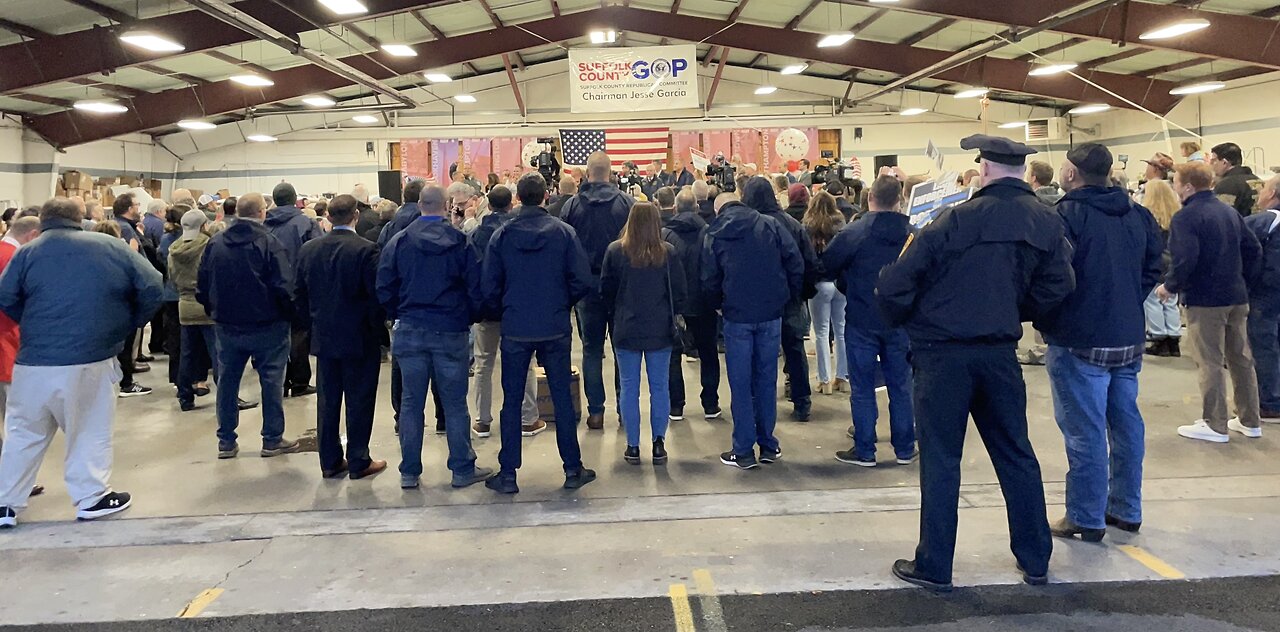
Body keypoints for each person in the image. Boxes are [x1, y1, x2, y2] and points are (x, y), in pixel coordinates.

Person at [877, 135, 1075, 592]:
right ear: (1023, 173)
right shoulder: (1047, 221)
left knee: (943, 460)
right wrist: (1014, 308)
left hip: (942, 355)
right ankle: (1036, 559)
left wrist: (911, 318)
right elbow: (1059, 285)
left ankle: (935, 565)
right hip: (999, 353)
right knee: (1016, 454)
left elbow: (896, 284)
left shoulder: (953, 220)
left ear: (983, 169)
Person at [0, 198, 163, 528]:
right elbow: (152, 284)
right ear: (80, 219)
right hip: (90, 357)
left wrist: (36, 325)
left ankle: (5, 504)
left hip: (32, 360)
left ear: (42, 221)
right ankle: (91, 497)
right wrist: (126, 322)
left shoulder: (27, 253)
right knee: (88, 428)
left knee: (23, 432)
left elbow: (5, 298)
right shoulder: (109, 247)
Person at [1037, 144, 1163, 543]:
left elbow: (1054, 277)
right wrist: (1127, 299)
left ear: (1071, 173)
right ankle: (1126, 508)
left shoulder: (1065, 217)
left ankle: (1085, 516)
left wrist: (1047, 318)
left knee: (1084, 429)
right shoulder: (1138, 214)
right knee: (1126, 424)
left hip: (1079, 339)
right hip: (1127, 336)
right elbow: (1155, 267)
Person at [482, 173, 596, 494]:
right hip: (554, 326)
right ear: (547, 195)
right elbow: (582, 279)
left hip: (517, 327)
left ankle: (508, 473)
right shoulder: (564, 233)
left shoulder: (502, 235)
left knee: (512, 401)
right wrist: (562, 303)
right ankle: (572, 468)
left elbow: (489, 285)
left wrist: (505, 310)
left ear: (518, 198)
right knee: (562, 398)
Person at [377, 185, 491, 490]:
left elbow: (384, 285)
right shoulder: (460, 242)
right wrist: (467, 318)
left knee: (412, 403)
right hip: (450, 329)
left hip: (410, 328)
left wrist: (396, 313)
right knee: (455, 404)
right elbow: (476, 288)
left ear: (418, 205)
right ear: (447, 205)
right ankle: (462, 469)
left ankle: (410, 472)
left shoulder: (399, 241)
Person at [1158, 161, 1263, 443]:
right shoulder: (1229, 212)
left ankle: (1214, 423)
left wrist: (1170, 286)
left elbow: (1185, 258)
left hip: (1205, 300)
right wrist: (1244, 282)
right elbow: (1253, 248)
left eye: (1176, 182)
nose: (1175, 187)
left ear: (1188, 186)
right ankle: (1249, 419)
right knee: (1241, 358)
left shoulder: (1186, 217)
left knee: (1210, 361)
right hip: (1236, 296)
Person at [704, 177, 803, 469]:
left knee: (741, 383)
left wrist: (717, 305)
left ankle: (743, 449)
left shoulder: (715, 232)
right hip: (770, 314)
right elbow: (795, 263)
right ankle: (768, 444)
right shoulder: (771, 226)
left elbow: (708, 278)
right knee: (766, 379)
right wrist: (787, 298)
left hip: (736, 316)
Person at [196, 193, 301, 460]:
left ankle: (226, 441)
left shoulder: (215, 243)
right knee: (272, 381)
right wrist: (291, 316)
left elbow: (202, 285)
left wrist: (215, 311)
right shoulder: (269, 243)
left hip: (228, 326)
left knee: (228, 382)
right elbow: (283, 286)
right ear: (262, 212)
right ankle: (272, 439)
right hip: (268, 325)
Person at [822, 177, 914, 467]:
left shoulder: (853, 232)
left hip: (862, 317)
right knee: (901, 386)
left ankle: (865, 449)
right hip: (900, 320)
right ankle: (905, 448)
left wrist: (847, 283)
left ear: (869, 197)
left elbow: (827, 265)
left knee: (861, 387)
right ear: (899, 200)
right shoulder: (914, 234)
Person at [295, 194, 388, 481]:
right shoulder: (367, 250)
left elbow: (298, 294)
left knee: (328, 399)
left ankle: (329, 460)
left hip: (324, 336)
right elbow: (376, 297)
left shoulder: (309, 250)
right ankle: (358, 458)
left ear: (329, 217)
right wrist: (377, 331)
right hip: (360, 338)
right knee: (360, 399)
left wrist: (310, 327)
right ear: (355, 216)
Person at [601, 202, 686, 464]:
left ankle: (633, 445)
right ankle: (659, 444)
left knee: (629, 387)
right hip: (660, 329)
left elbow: (606, 291)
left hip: (626, 328)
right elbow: (681, 293)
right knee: (659, 387)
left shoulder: (616, 251)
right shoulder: (668, 253)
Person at [561, 151, 635, 430]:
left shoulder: (571, 206)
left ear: (587, 173)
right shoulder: (627, 204)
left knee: (591, 350)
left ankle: (596, 412)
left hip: (586, 286)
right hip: (621, 286)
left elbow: (566, 249)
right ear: (611, 172)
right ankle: (625, 410)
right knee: (622, 349)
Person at [468, 186, 547, 439]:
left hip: (486, 311)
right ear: (511, 204)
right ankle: (528, 418)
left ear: (488, 205)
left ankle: (482, 420)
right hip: (516, 308)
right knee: (525, 363)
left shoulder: (476, 234)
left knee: (483, 363)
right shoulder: (518, 232)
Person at [742, 177, 819, 421]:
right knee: (794, 350)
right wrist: (801, 293)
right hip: (790, 299)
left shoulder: (747, 227)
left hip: (758, 301)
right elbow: (808, 263)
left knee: (758, 355)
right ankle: (802, 401)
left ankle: (758, 404)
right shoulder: (793, 225)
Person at [169, 210, 256, 413]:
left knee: (187, 355)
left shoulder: (174, 248)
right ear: (203, 226)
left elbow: (171, 277)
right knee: (219, 356)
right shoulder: (209, 245)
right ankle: (229, 398)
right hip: (207, 305)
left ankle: (185, 397)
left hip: (184, 305)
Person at [663, 189, 720, 420]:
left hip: (673, 304)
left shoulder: (665, 235)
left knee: (673, 355)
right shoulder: (710, 233)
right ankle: (710, 403)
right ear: (697, 208)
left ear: (675, 208)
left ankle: (676, 405)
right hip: (704, 302)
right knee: (708, 352)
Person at [263, 183, 323, 398]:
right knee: (299, 335)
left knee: (277, 336)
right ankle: (300, 381)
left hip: (271, 289)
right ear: (295, 199)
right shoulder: (305, 223)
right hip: (298, 288)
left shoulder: (264, 224)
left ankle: (280, 380)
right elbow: (317, 253)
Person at [803, 191, 848, 396]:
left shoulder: (808, 226)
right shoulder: (841, 225)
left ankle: (824, 380)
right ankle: (843, 377)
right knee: (841, 331)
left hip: (820, 284)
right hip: (839, 283)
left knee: (821, 332)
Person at [110, 193, 153, 397]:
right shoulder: (126, 228)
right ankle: (126, 382)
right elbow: (132, 258)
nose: (139, 208)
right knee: (128, 340)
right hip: (130, 292)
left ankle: (125, 374)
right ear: (128, 208)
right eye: (136, 205)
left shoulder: (121, 225)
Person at [1246, 175, 1280, 421]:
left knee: (1264, 346)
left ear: (1272, 194)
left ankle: (1268, 402)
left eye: (1264, 188)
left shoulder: (1265, 221)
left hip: (1265, 293)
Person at [1142, 180, 1184, 357]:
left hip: (1155, 263)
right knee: (1171, 301)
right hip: (1172, 263)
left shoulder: (1147, 217)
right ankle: (1174, 338)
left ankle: (1159, 338)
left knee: (1152, 301)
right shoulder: (1177, 216)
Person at [1209, 142, 1263, 217]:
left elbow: (1221, 216)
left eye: (1214, 160)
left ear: (1224, 162)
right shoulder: (1257, 179)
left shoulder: (1227, 185)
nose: (1210, 164)